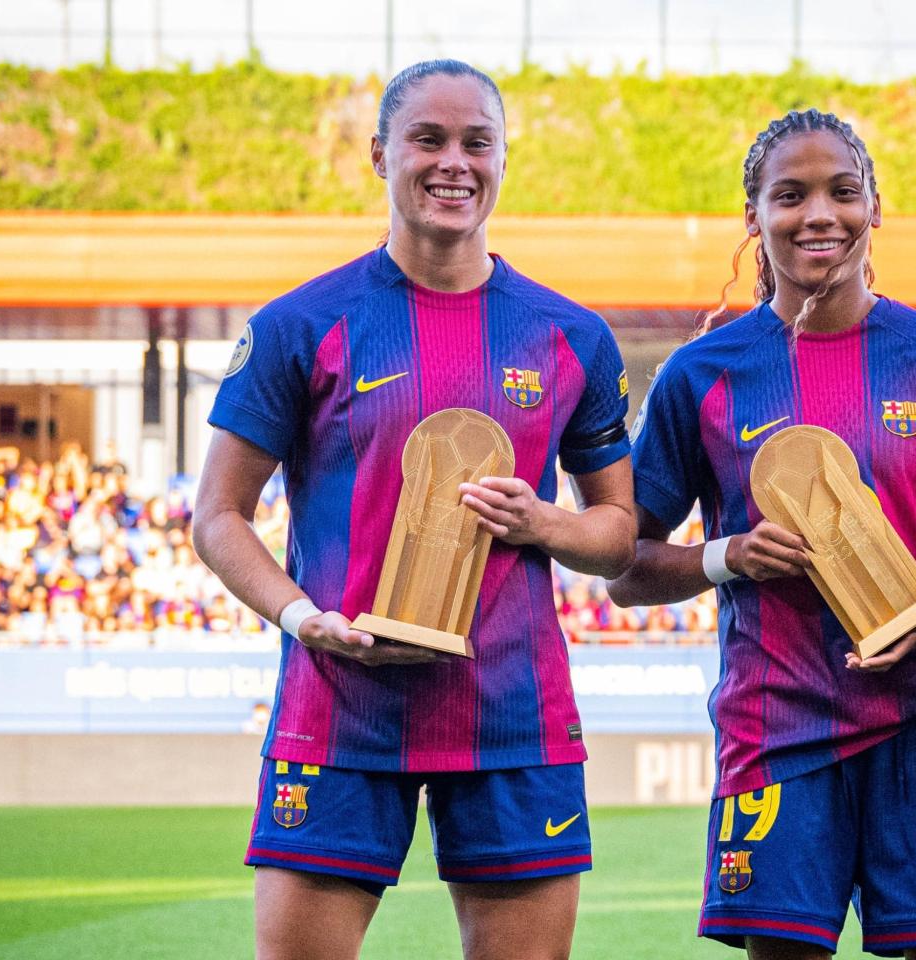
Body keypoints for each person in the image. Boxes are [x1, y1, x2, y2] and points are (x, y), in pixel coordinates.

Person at [192, 59, 635, 960]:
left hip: (511, 713)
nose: (453, 163)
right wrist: (303, 617)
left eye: (477, 141)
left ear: (504, 158)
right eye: (427, 139)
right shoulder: (299, 324)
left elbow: (619, 532)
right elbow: (218, 515)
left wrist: (542, 522)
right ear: (379, 154)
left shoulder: (570, 336)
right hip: (341, 705)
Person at [607, 109, 916, 959]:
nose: (818, 215)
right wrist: (727, 557)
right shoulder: (703, 375)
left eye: (842, 191)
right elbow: (625, 566)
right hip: (777, 726)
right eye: (789, 195)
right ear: (755, 217)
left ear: (876, 205)